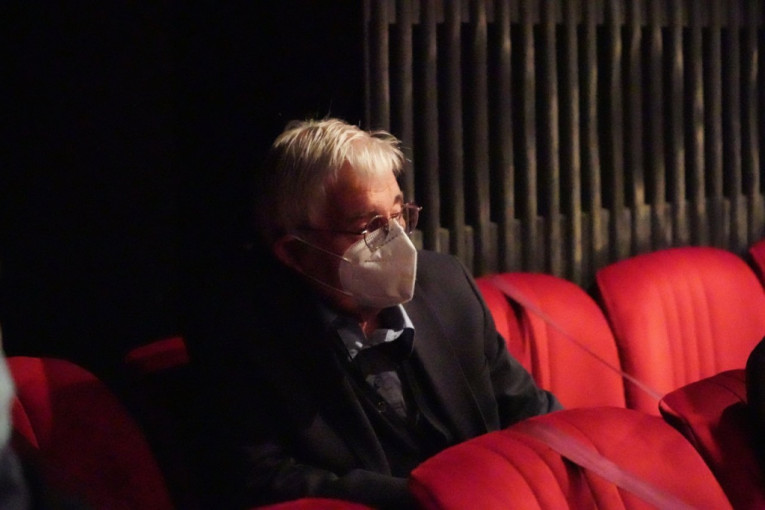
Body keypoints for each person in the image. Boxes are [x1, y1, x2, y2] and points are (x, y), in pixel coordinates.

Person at [187, 118, 562, 509]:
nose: (396, 240)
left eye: (399, 215)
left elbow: (531, 412)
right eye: (368, 227)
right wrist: (431, 498)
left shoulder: (447, 285)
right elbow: (261, 478)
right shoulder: (243, 334)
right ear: (295, 251)